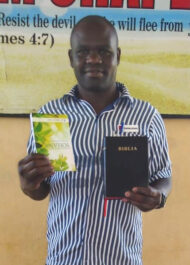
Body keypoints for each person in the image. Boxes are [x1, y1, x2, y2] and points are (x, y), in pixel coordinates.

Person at [18, 15, 172, 265]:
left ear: (118, 55)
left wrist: (158, 196)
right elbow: (42, 189)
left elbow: (163, 176)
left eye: (103, 51)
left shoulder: (146, 116)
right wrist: (29, 185)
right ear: (71, 58)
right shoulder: (52, 116)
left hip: (121, 257)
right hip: (64, 257)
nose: (93, 59)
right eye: (83, 52)